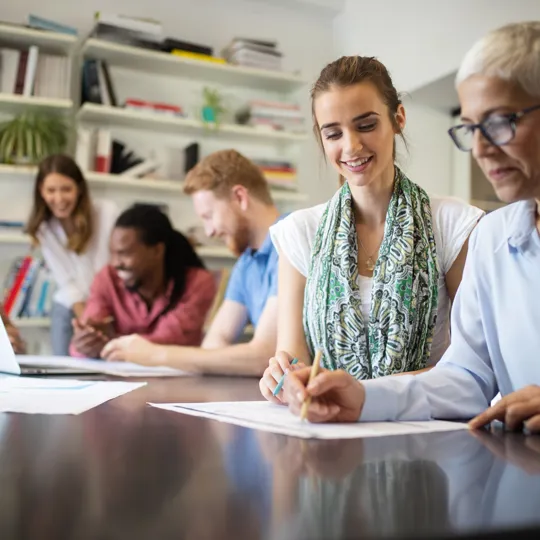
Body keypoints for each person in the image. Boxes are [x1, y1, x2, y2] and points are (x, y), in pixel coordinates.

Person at [279, 22, 540, 432]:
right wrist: (363, 396)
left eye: (500, 122)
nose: (482, 150)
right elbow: (468, 378)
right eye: (472, 129)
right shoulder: (493, 237)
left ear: (397, 119)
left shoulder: (460, 227)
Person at [259, 55, 483, 403]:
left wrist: (364, 396)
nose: (351, 146)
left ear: (398, 119)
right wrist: (283, 380)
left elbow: (472, 366)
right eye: (333, 133)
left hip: (427, 432)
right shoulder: (300, 232)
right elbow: (292, 358)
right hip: (328, 434)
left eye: (365, 125)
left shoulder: (452, 224)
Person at [101, 149, 281, 376]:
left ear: (240, 198)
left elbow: (265, 355)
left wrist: (155, 354)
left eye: (209, 216)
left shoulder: (291, 243)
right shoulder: (246, 263)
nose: (209, 231)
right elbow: (214, 344)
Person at [70, 204, 216, 359]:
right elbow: (79, 346)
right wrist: (85, 341)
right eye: (112, 253)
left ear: (157, 250)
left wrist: (110, 343)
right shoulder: (107, 278)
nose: (115, 263)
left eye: (124, 253)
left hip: (177, 377)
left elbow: (169, 340)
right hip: (120, 379)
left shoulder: (198, 282)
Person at [26, 154, 117, 356]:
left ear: (79, 189)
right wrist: (85, 321)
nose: (58, 199)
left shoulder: (106, 212)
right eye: (51, 190)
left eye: (66, 189)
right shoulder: (44, 229)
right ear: (41, 191)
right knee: (65, 369)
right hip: (71, 308)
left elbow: (111, 268)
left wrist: (97, 316)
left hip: (107, 306)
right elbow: (66, 282)